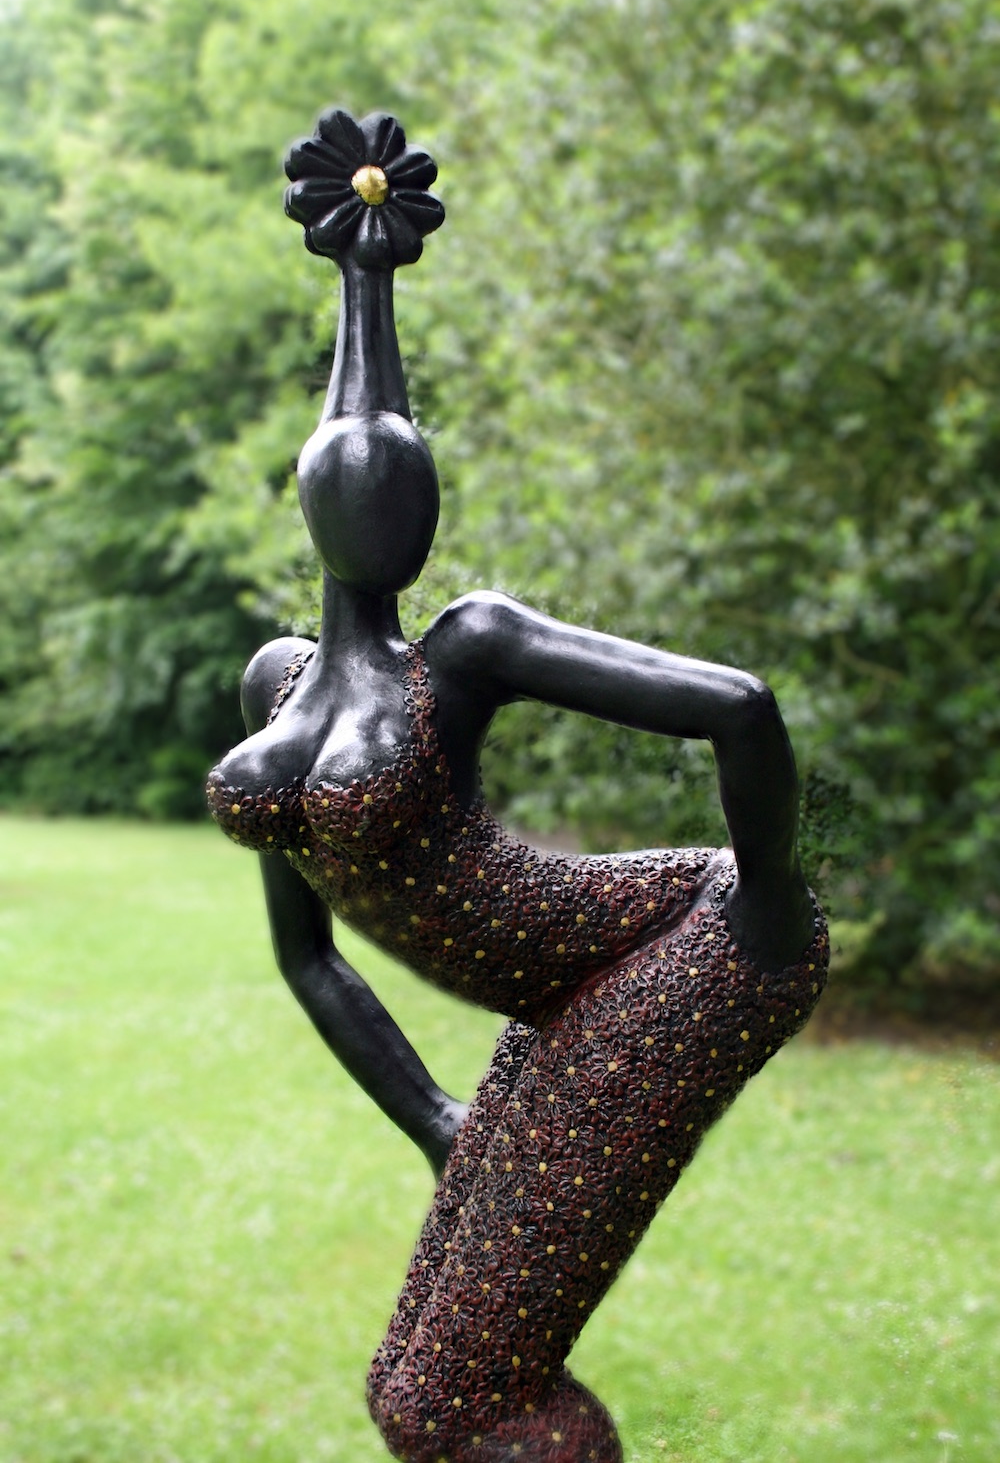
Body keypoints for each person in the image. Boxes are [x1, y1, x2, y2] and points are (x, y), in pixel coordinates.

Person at [207, 109, 828, 1463]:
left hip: (686, 940)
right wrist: (436, 1117)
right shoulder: (277, 687)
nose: (390, 516)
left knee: (453, 1400)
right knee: (409, 1386)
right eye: (360, 488)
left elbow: (741, 708)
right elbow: (308, 960)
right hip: (556, 994)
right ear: (312, 500)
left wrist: (773, 904)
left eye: (409, 494)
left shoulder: (466, 649)